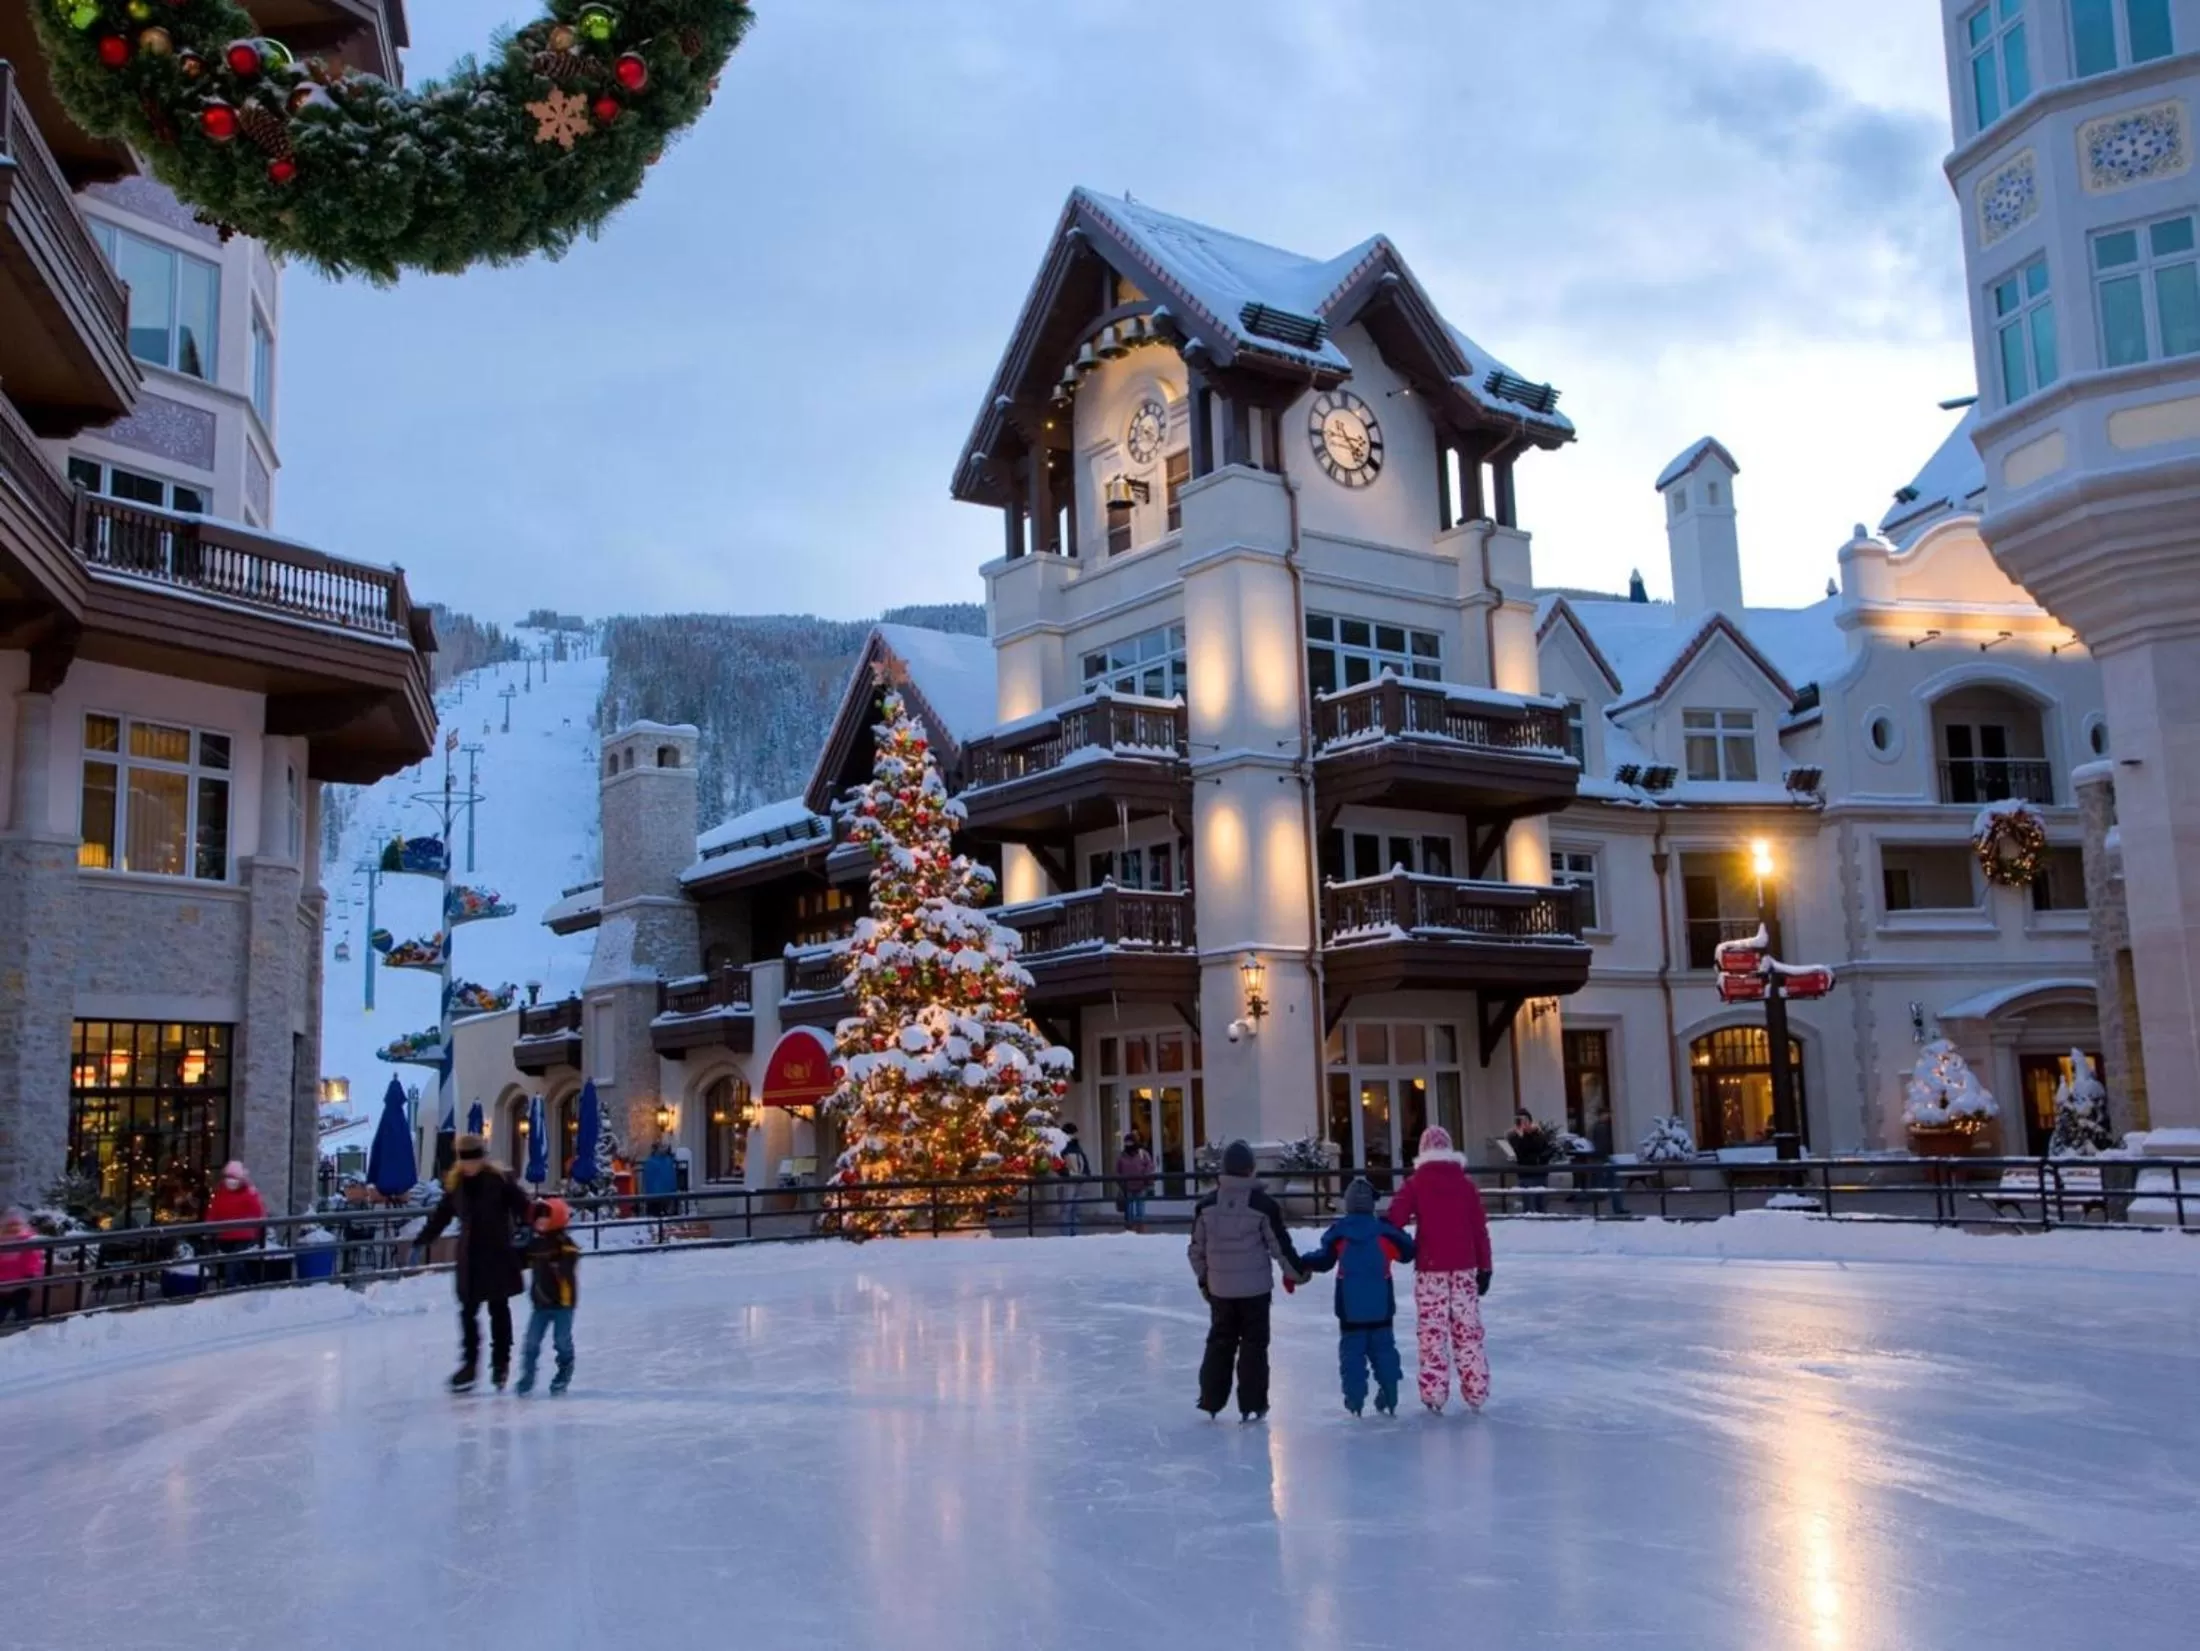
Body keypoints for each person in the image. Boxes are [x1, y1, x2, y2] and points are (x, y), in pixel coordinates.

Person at [1187, 1139, 1305, 1421]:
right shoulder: (1263, 1205)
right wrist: (1297, 1273)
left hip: (1221, 1292)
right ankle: (1252, 1404)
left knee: (1220, 1342)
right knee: (1254, 1347)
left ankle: (1211, 1400)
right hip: (1255, 1292)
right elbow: (1280, 1246)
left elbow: (1195, 1251)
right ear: (1251, 1169)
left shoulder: (1206, 1206)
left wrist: (1205, 1281)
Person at [1384, 1125, 1493, 1414]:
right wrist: (1485, 1267)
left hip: (1430, 1268)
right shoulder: (1466, 1184)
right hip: (1465, 1268)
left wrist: (1397, 1246)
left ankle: (1434, 1393)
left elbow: (1394, 1219)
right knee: (1467, 1331)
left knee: (1433, 1332)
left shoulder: (1416, 1183)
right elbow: (1479, 1229)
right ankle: (1476, 1391)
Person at [416, 1134, 532, 1392]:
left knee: (498, 1309)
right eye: (467, 1161)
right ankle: (469, 1364)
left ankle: (501, 1362)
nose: (471, 1166)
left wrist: (538, 1222)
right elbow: (442, 1215)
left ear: (483, 1158)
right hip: (470, 1257)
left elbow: (524, 1206)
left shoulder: (500, 1181)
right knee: (468, 1311)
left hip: (498, 1253)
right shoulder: (455, 1184)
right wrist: (426, 1237)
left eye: (475, 1160)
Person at [1295, 1177, 1416, 1416]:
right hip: (1381, 1305)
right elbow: (1408, 1252)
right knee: (1384, 1349)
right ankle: (1390, 1390)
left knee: (1352, 1354)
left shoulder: (1340, 1233)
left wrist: (1302, 1262)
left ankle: (1355, 1399)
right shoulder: (1384, 1232)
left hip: (1350, 1308)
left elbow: (1324, 1260)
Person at [516, 1196, 581, 1396]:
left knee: (561, 1340)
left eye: (545, 1218)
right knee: (531, 1342)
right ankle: (527, 1375)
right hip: (541, 1303)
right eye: (538, 1218)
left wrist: (559, 1263)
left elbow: (571, 1260)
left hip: (563, 1303)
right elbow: (520, 1261)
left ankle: (565, 1369)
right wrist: (517, 1246)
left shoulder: (565, 1243)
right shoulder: (535, 1244)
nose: (540, 1222)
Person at [206, 1161, 267, 1287]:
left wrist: (256, 1229)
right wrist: (209, 1226)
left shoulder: (249, 1193)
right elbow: (213, 1212)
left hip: (244, 1236)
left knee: (232, 1264)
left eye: (234, 1178)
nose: (231, 1181)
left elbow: (259, 1212)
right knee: (236, 1264)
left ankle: (230, 1289)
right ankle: (248, 1284)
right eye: (228, 1177)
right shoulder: (220, 1193)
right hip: (224, 1236)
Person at [0, 1207, 44, 1324]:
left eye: (15, 1226)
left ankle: (24, 1330)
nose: (12, 1229)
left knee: (21, 1312)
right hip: (11, 1285)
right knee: (16, 1312)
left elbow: (32, 1259)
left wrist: (31, 1275)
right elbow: (33, 1259)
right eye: (9, 1226)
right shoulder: (25, 1239)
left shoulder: (25, 1240)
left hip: (18, 1285)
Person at [1115, 1132, 1155, 1233]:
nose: (1128, 1145)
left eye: (1130, 1142)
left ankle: (1140, 1228)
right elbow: (1118, 1170)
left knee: (1140, 1207)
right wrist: (1121, 1182)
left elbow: (1149, 1166)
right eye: (1126, 1142)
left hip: (1141, 1185)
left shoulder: (1143, 1154)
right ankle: (1130, 1227)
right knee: (1129, 1209)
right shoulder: (1122, 1156)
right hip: (1127, 1186)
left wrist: (1145, 1177)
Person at [1058, 1121, 1091, 1234]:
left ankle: (1074, 1232)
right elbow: (1058, 1164)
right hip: (1068, 1181)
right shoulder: (1062, 1147)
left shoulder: (1076, 1146)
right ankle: (1066, 1233)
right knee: (1067, 1208)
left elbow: (1083, 1160)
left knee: (1076, 1208)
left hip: (1078, 1180)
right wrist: (1067, 1174)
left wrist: (1086, 1173)